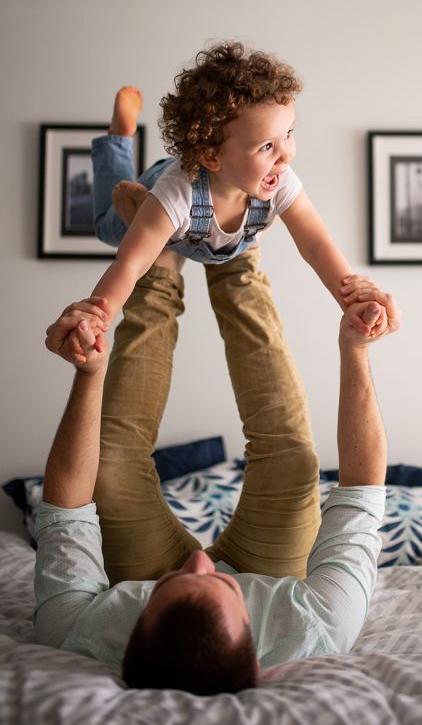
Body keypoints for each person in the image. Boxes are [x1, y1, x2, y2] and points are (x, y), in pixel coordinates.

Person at [38, 252, 400, 695]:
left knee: (111, 470)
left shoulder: (81, 631)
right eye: (222, 582)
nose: (200, 561)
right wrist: (355, 349)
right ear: (256, 638)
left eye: (172, 582)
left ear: (134, 627)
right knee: (291, 461)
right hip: (273, 575)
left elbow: (65, 511)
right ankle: (235, 255)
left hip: (144, 572)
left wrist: (89, 372)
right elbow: (362, 488)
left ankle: (162, 263)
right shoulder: (316, 624)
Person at [60, 41, 383, 365]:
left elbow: (316, 244)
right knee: (108, 226)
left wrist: (351, 299)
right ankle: (118, 139)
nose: (285, 153)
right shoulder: (178, 192)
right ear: (211, 156)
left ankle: (163, 221)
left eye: (288, 133)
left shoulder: (279, 178)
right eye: (266, 146)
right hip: (161, 199)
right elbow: (130, 264)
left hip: (216, 235)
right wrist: (97, 319)